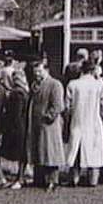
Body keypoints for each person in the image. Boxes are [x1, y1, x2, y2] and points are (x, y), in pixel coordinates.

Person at [66, 59, 103, 187]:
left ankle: (74, 178)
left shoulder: (73, 84)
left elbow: (67, 107)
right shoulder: (99, 85)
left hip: (77, 121)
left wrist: (69, 118)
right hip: (94, 122)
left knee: (76, 150)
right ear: (93, 70)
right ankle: (93, 180)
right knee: (94, 151)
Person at [26, 61, 66, 192]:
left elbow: (58, 105)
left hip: (49, 124)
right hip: (37, 124)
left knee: (50, 152)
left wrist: (49, 116)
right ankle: (39, 179)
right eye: (35, 72)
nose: (37, 74)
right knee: (39, 151)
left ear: (46, 70)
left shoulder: (55, 84)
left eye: (39, 71)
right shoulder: (35, 85)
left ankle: (53, 180)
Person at [3, 71, 31, 190]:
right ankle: (21, 176)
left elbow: (15, 113)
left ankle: (18, 178)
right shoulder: (25, 91)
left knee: (19, 153)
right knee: (22, 153)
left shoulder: (16, 94)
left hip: (17, 126)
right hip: (24, 124)